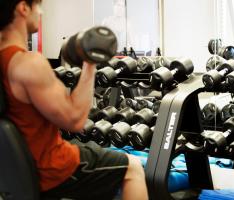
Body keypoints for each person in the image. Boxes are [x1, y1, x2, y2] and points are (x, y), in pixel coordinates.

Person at [0, 0, 148, 200]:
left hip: (14, 169)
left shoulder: (4, 59)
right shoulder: (28, 63)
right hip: (52, 168)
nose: (41, 12)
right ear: (23, 8)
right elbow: (76, 120)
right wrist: (90, 63)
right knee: (133, 167)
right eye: (38, 5)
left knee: (93, 152)